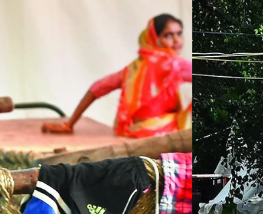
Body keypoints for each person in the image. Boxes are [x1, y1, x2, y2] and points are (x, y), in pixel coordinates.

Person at [43, 14, 190, 139]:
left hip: (127, 130)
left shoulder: (135, 67)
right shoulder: (174, 65)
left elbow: (96, 88)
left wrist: (69, 123)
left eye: (179, 33)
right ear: (153, 38)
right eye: (168, 35)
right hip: (159, 131)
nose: (177, 40)